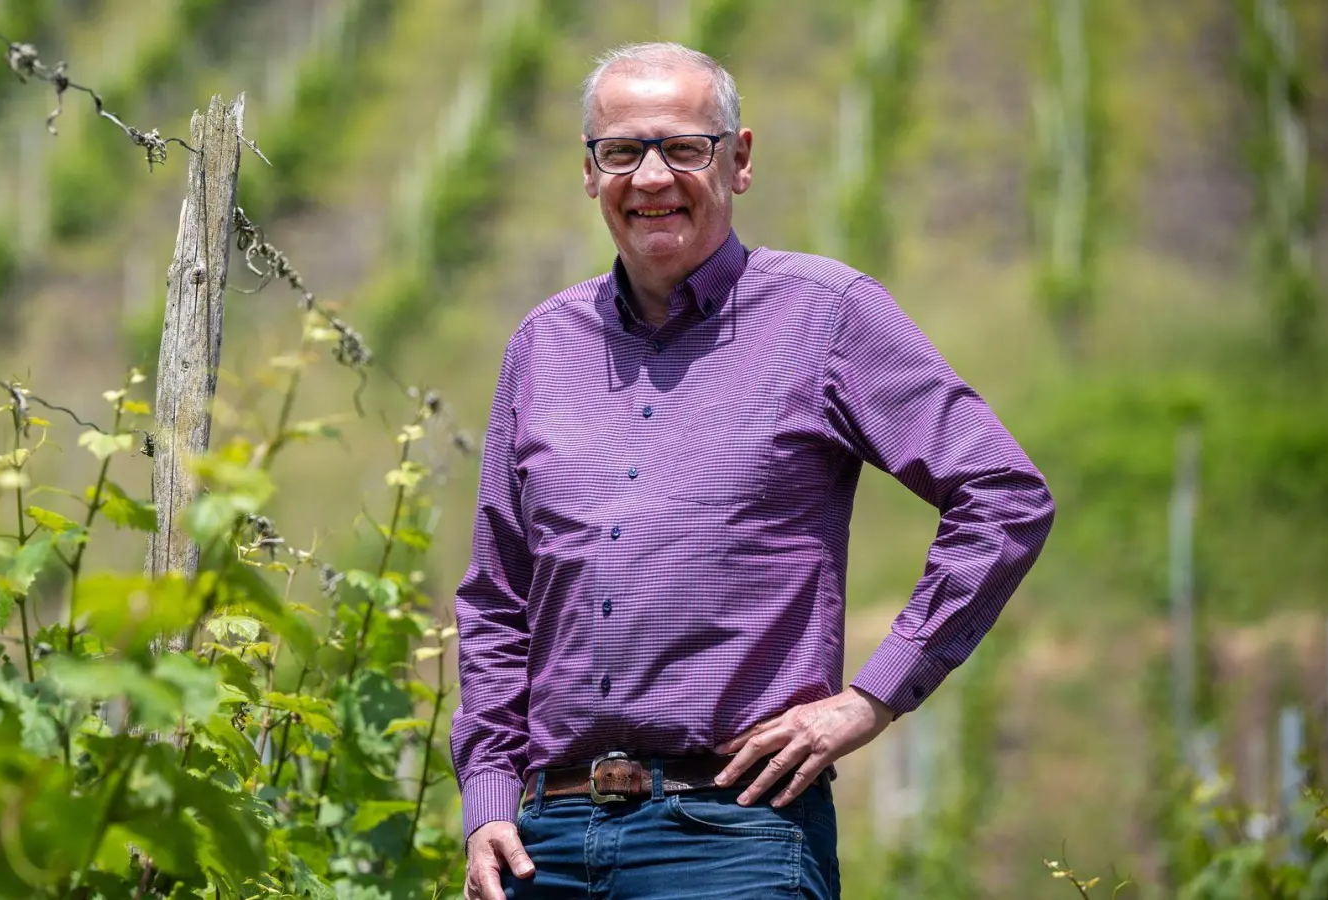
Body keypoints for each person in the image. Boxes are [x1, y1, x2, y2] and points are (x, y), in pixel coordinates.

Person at [450, 42, 1054, 900]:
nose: (651, 177)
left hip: (736, 837)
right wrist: (488, 799)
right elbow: (497, 597)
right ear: (589, 173)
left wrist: (872, 698)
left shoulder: (827, 315)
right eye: (622, 151)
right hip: (542, 845)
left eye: (684, 148)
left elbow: (1002, 494)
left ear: (739, 160)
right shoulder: (544, 345)